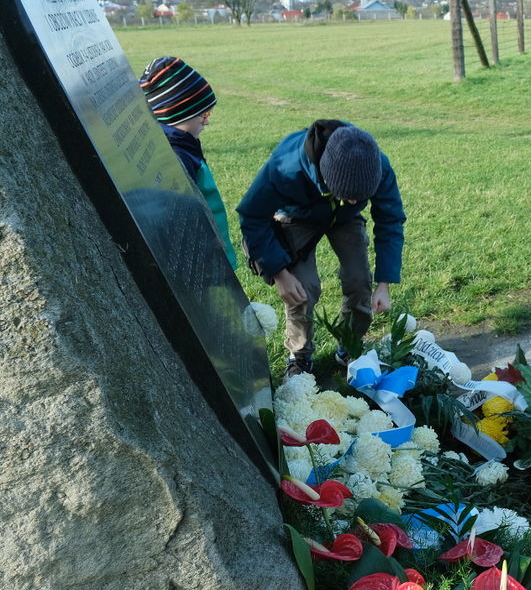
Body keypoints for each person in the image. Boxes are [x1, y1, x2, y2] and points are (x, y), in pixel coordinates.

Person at [237, 121, 406, 377]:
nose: (355, 200)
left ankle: (349, 346)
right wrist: (280, 273)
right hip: (297, 215)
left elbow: (390, 219)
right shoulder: (285, 166)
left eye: (361, 197)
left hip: (345, 218)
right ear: (326, 175)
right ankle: (300, 355)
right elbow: (251, 216)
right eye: (349, 194)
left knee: (359, 280)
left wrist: (384, 283)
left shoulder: (376, 164)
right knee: (303, 288)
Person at [138, 57, 237, 268]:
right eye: (203, 115)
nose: (207, 120)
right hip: (204, 261)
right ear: (177, 114)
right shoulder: (177, 157)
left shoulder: (184, 144)